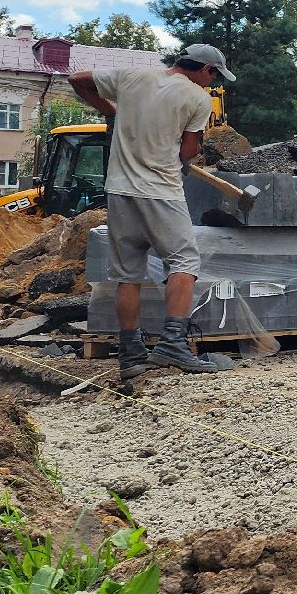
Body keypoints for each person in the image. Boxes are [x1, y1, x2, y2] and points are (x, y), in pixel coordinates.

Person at [68, 44, 233, 378]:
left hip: (119, 189)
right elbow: (188, 148)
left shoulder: (132, 76)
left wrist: (111, 110)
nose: (212, 84)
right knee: (184, 261)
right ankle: (172, 343)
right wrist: (185, 160)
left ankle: (130, 354)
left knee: (128, 273)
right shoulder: (197, 98)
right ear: (205, 69)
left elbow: (77, 79)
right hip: (160, 191)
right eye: (214, 76)